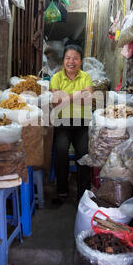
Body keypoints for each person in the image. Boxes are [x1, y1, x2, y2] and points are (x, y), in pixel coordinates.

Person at [50, 43, 93, 205]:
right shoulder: (56, 78)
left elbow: (88, 99)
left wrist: (65, 97)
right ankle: (62, 189)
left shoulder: (86, 77)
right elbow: (55, 103)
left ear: (81, 61)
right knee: (61, 150)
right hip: (62, 124)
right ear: (63, 61)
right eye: (68, 58)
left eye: (75, 58)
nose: (71, 62)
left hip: (82, 124)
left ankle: (83, 193)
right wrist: (76, 96)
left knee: (84, 153)